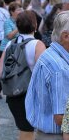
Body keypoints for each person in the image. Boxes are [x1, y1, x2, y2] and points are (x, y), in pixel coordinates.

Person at [0, 11, 46, 140]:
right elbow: (43, 72)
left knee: (24, 129)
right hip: (30, 94)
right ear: (35, 25)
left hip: (13, 94)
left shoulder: (10, 44)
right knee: (28, 130)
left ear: (17, 26)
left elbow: (0, 71)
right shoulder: (37, 44)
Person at [25, 11, 69, 139]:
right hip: (56, 135)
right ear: (66, 36)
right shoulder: (60, 68)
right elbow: (61, 117)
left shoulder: (50, 54)